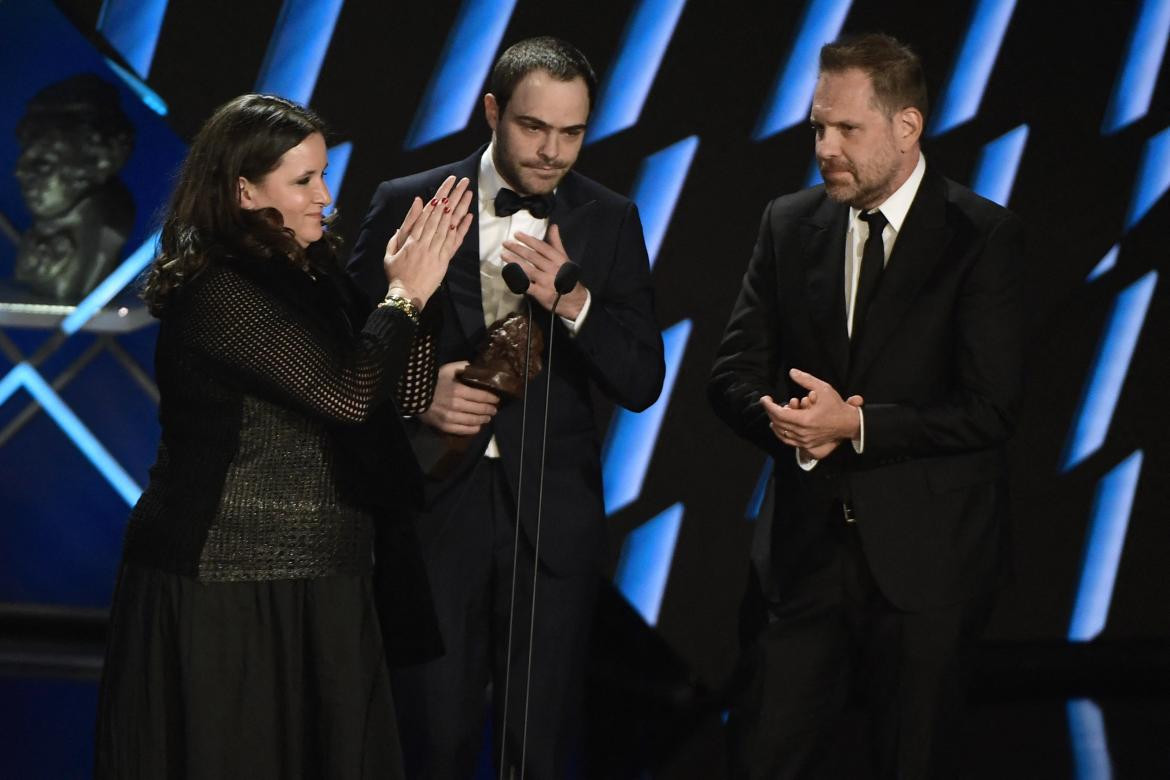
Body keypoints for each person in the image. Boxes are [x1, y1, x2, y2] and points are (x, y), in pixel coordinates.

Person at [94, 93, 473, 779]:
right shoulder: (220, 292)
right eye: (304, 181)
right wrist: (403, 299)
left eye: (324, 175)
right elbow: (350, 395)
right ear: (243, 189)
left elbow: (406, 395)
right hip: (233, 582)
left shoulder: (314, 271)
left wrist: (425, 287)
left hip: (326, 576)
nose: (325, 196)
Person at [348, 36, 665, 779]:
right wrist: (419, 397)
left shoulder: (608, 219)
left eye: (573, 132)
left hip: (552, 516)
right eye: (534, 127)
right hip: (434, 504)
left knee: (540, 741)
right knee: (431, 729)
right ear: (492, 111)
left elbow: (643, 379)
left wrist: (575, 301)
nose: (554, 151)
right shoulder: (411, 201)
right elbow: (344, 359)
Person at [708, 34, 1024, 779]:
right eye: (819, 126)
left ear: (906, 127)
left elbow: (990, 408)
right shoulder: (788, 225)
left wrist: (855, 425)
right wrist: (785, 422)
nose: (825, 146)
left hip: (927, 570)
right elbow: (730, 374)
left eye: (846, 129)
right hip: (803, 560)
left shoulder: (980, 237)